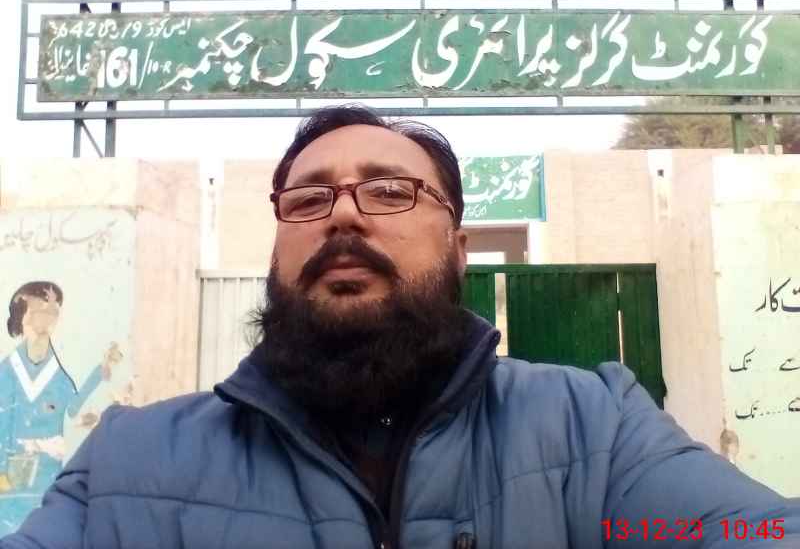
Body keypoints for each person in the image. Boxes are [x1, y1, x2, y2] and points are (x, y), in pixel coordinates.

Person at [2, 105, 798, 548]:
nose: (343, 213)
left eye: (389, 192)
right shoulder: (128, 466)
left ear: (459, 249)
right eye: (309, 198)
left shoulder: (595, 429)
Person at [0, 282, 106, 535]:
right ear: (22, 317)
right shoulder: (7, 372)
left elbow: (72, 409)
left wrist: (99, 374)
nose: (47, 318)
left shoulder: (57, 374)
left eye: (53, 311)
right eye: (39, 310)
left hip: (48, 482)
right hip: (10, 485)